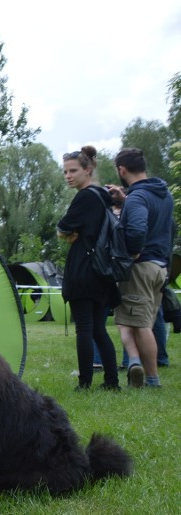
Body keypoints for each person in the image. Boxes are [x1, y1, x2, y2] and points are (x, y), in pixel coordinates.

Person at [107, 148, 174, 388]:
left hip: (141, 267)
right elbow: (168, 228)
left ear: (122, 170)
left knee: (140, 325)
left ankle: (152, 379)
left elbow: (136, 229)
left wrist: (132, 253)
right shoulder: (162, 194)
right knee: (137, 319)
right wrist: (125, 199)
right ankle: (137, 364)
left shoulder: (138, 198)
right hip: (159, 266)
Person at [56, 147, 121, 390]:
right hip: (102, 270)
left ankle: (84, 383)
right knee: (98, 329)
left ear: (88, 169)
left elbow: (62, 228)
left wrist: (70, 235)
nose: (68, 176)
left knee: (84, 329)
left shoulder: (84, 196)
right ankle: (112, 381)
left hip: (84, 268)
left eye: (73, 170)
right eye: (65, 171)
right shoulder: (104, 195)